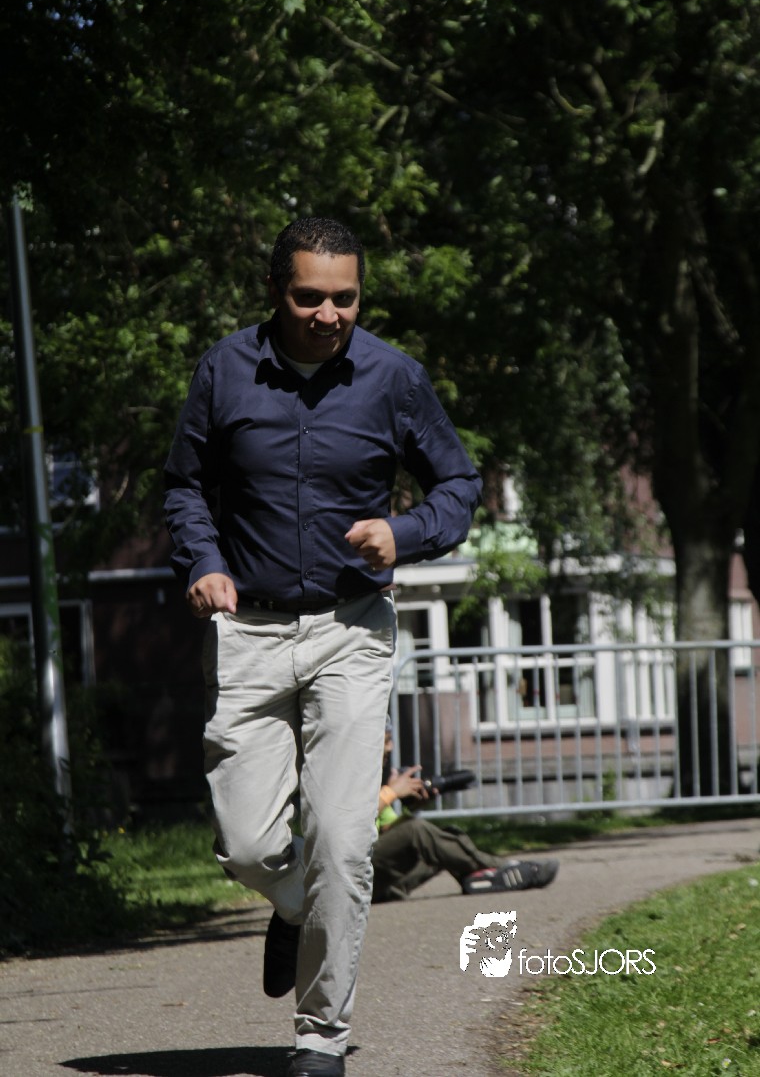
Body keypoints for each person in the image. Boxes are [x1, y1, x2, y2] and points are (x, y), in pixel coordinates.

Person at [163, 217, 482, 1077]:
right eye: (310, 297)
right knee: (247, 847)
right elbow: (184, 486)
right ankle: (295, 906)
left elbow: (460, 484)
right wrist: (203, 562)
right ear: (277, 292)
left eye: (345, 298)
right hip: (249, 632)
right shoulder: (224, 370)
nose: (329, 314)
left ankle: (321, 1036)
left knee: (343, 841)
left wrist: (404, 532)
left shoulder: (393, 377)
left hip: (352, 630)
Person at [373, 729, 559, 901]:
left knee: (447, 839)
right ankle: (503, 867)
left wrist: (413, 806)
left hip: (380, 882)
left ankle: (479, 879)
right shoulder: (355, 778)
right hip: (357, 876)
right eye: (386, 739)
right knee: (418, 831)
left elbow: (388, 832)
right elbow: (356, 824)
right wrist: (391, 793)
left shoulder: (372, 782)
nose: (390, 746)